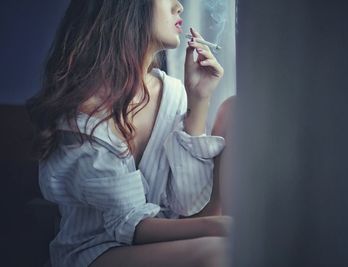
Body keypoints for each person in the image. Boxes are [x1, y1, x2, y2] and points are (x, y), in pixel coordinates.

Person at [27, 0, 233, 266]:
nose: (179, 6)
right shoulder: (85, 112)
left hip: (158, 242)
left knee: (235, 108)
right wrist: (219, 227)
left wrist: (199, 99)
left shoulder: (172, 92)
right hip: (95, 251)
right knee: (219, 251)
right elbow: (129, 224)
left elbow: (187, 204)